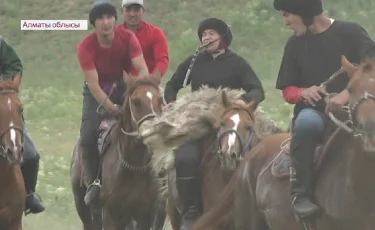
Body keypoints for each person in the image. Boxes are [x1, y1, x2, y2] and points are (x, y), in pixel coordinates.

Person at [273, 0, 375, 221]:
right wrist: (302, 93)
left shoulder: (351, 32)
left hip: (361, 105)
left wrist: (346, 94)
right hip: (318, 113)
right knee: (305, 123)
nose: (286, 22)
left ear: (305, 13)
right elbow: (287, 89)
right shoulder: (294, 45)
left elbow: (373, 65)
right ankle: (301, 195)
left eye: (287, 15)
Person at [164, 17, 265, 229]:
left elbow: (257, 89)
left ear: (223, 38)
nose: (207, 37)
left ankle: (260, 206)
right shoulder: (194, 61)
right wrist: (172, 104)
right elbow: (172, 86)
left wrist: (242, 101)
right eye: (204, 34)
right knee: (185, 156)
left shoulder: (236, 62)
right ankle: (190, 211)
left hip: (231, 120)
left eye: (211, 33)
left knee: (260, 151)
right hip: (201, 120)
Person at [76, 0, 148, 207]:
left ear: (115, 20)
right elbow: (93, 85)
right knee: (88, 134)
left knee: (148, 122)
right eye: (100, 18)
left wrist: (140, 92)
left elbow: (141, 70)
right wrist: (112, 108)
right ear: (94, 23)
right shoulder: (85, 47)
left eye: (109, 17)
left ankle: (157, 176)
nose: (106, 22)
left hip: (123, 85)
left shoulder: (128, 37)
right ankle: (93, 183)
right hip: (96, 91)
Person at [0, 36, 45, 214]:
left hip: (3, 105)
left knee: (31, 155)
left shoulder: (0, 44)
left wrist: (3, 83)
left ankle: (28, 196)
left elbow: (14, 66)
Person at [116, 0, 169, 77]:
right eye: (128, 9)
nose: (132, 14)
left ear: (143, 11)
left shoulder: (156, 33)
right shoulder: (113, 35)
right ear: (122, 11)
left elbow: (162, 61)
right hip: (120, 84)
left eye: (136, 9)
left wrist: (151, 80)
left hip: (147, 83)